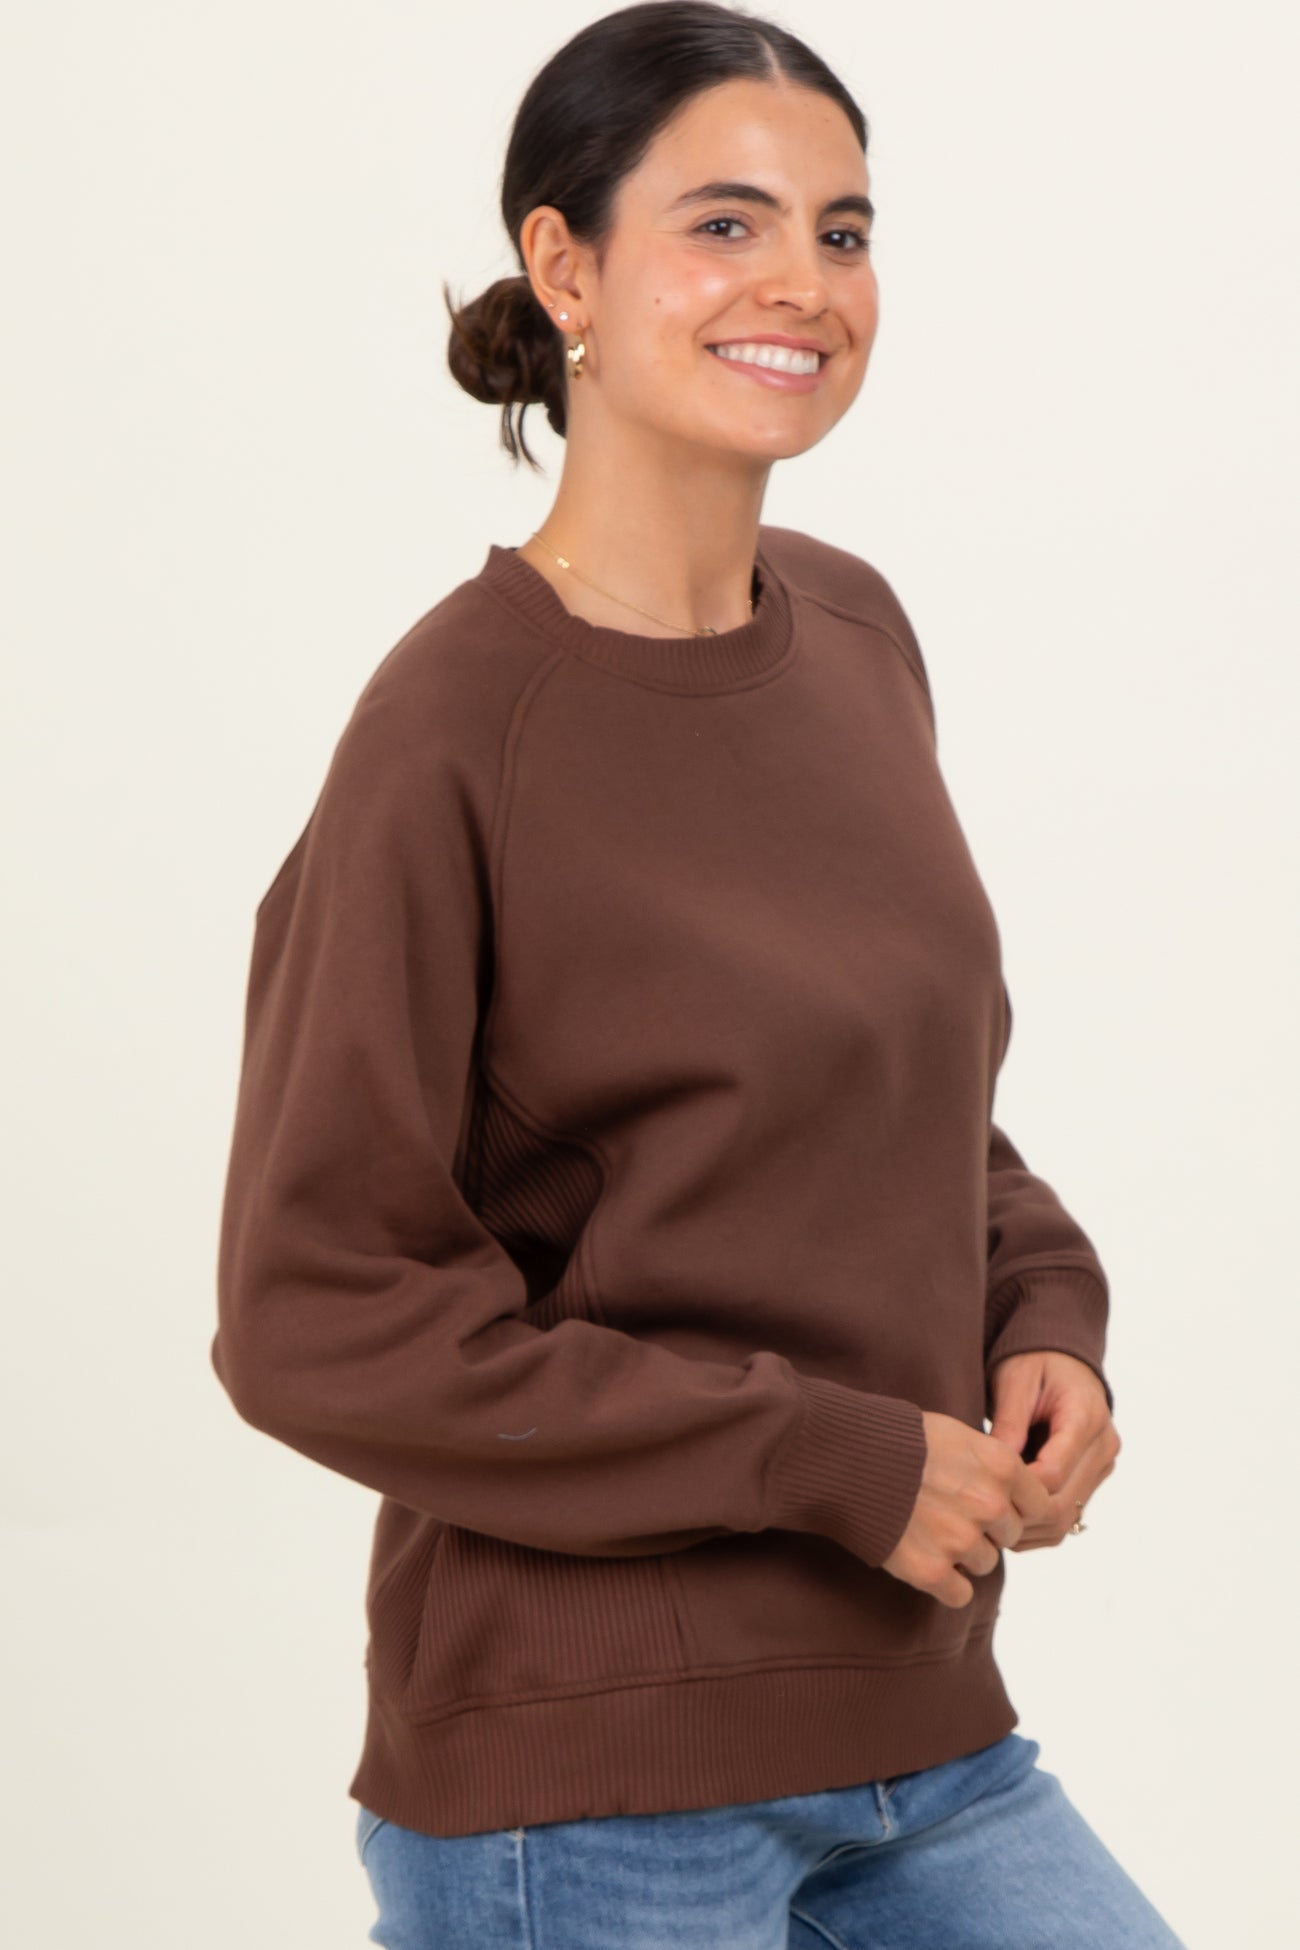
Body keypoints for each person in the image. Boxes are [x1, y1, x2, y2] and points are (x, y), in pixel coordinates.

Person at [212, 4, 1186, 1944]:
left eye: (842, 231)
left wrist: (1042, 1317)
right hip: (590, 1782)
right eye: (724, 224)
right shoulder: (453, 727)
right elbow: (314, 1310)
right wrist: (814, 1452)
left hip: (921, 1728)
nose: (801, 282)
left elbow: (906, 1103)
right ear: (562, 265)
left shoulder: (853, 635)